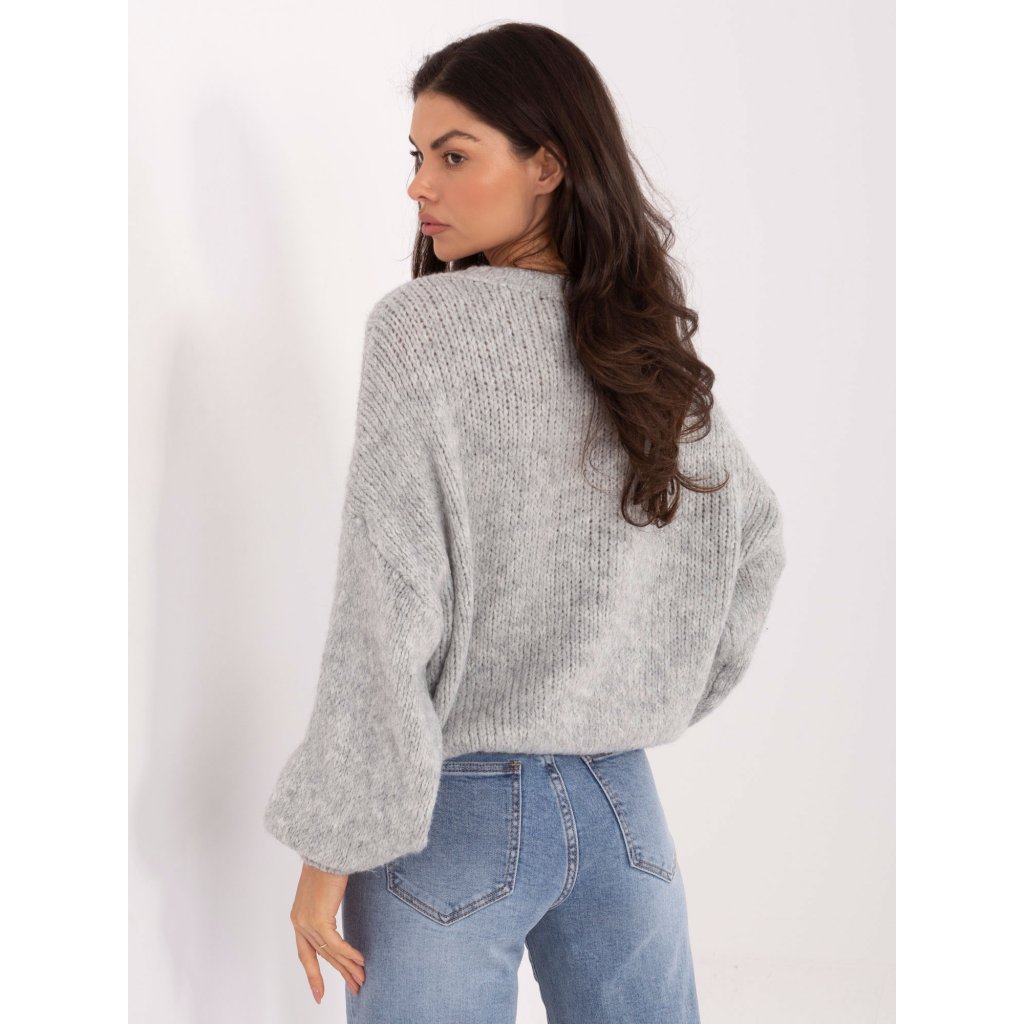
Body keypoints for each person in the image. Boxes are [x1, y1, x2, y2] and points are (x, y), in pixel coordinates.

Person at [263, 21, 786, 1024]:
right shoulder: (642, 350)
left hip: (451, 818)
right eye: (416, 157)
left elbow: (386, 610)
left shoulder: (419, 329)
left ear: (547, 165)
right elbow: (753, 542)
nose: (420, 186)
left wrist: (327, 853)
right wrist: (646, 689)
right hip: (624, 809)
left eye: (454, 156)